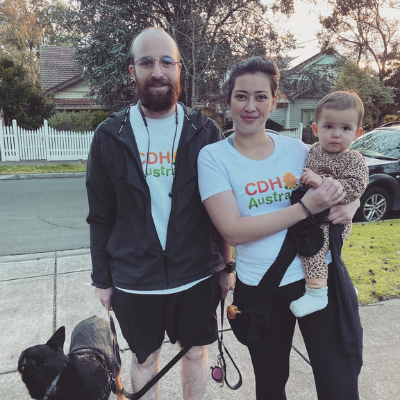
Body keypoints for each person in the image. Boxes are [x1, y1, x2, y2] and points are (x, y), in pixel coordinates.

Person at [197, 56, 363, 399]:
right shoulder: (213, 157)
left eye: (261, 96)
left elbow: (341, 178)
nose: (250, 106)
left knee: (339, 384)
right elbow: (233, 230)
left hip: (320, 278)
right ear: (228, 100)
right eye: (241, 96)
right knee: (271, 384)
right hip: (263, 289)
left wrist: (352, 203)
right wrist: (306, 207)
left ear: (275, 100)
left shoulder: (297, 148)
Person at [86, 27, 235, 400]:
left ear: (179, 70)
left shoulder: (205, 131)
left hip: (196, 272)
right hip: (136, 278)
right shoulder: (109, 135)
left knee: (195, 352)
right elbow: (100, 214)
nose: (157, 71)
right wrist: (102, 278)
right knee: (143, 359)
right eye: (147, 62)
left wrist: (226, 267)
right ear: (132, 71)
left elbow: (222, 208)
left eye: (167, 61)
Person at [289, 91, 369, 318]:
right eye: (329, 127)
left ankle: (316, 294)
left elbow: (355, 187)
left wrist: (323, 182)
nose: (336, 134)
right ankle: (342, 288)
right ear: (315, 129)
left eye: (345, 128)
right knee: (325, 254)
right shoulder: (313, 151)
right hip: (314, 215)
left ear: (357, 133)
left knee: (314, 247)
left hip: (335, 220)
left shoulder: (354, 158)